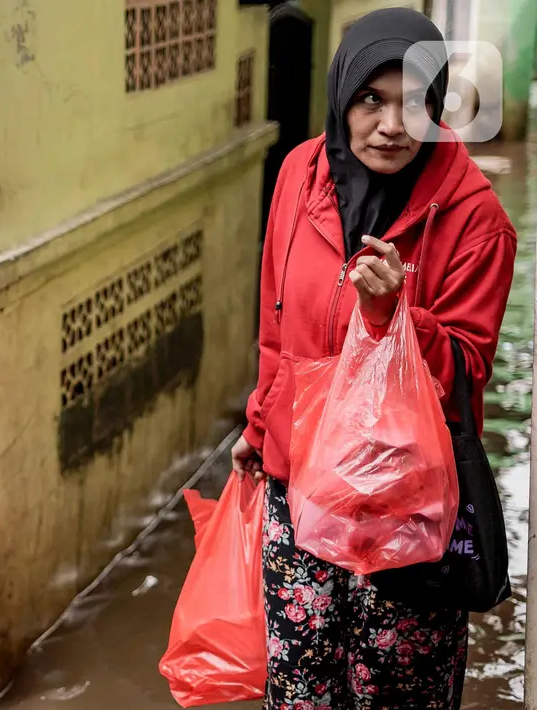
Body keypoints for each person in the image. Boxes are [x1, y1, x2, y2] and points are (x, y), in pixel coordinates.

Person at [231, 8, 518, 709]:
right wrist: (258, 424)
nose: (393, 124)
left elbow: (464, 372)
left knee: (396, 695)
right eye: (371, 99)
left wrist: (394, 318)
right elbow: (278, 323)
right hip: (298, 488)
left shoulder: (475, 219)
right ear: (341, 94)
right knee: (299, 689)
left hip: (407, 508)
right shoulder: (300, 175)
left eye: (416, 101)